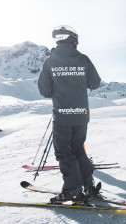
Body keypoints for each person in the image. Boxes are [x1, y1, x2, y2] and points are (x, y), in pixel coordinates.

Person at [38, 25, 101, 203]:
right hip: (81, 115)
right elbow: (95, 83)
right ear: (74, 40)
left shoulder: (49, 62)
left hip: (63, 114)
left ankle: (73, 190)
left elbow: (44, 90)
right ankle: (88, 186)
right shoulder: (83, 59)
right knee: (78, 148)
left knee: (65, 153)